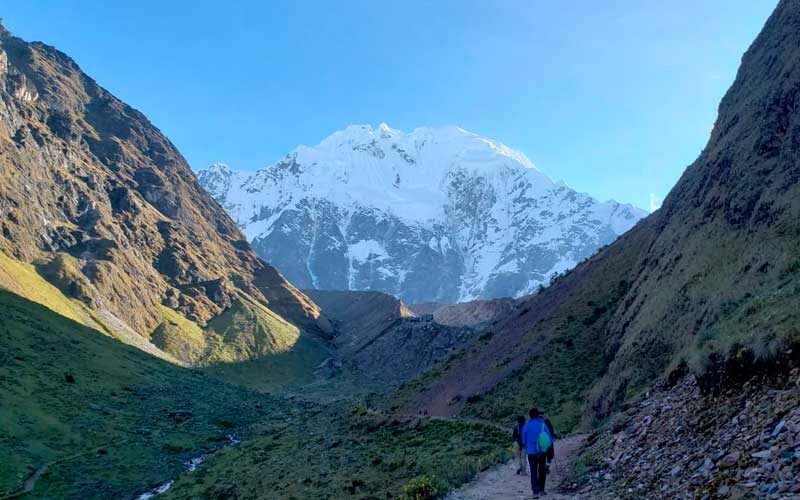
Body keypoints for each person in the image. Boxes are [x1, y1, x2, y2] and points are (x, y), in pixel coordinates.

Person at [521, 407, 553, 497]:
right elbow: (549, 440)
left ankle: (535, 492)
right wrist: (545, 449)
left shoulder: (526, 427)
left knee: (533, 472)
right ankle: (542, 490)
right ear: (538, 415)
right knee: (542, 471)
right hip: (542, 453)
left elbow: (523, 441)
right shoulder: (543, 425)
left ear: (530, 416)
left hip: (531, 453)